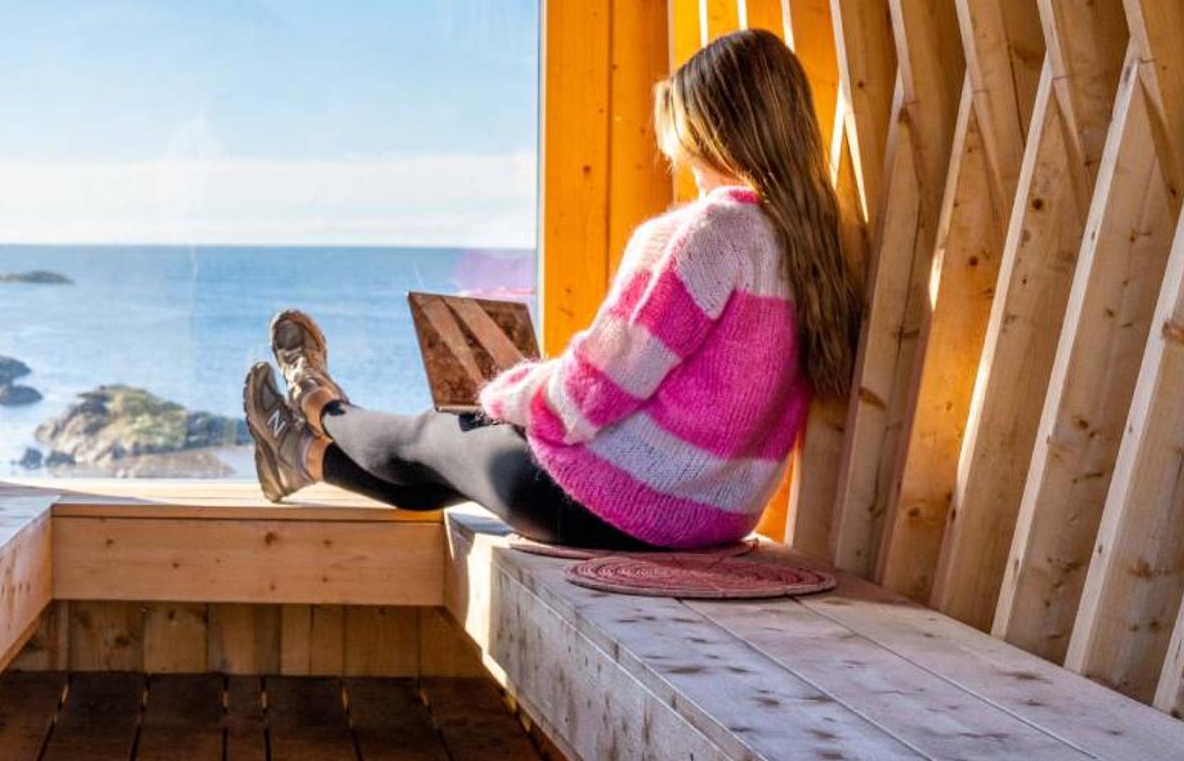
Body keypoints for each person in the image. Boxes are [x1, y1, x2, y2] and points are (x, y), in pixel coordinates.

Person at [241, 28, 861, 550]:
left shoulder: (711, 232)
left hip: (624, 510)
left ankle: (315, 400)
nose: (679, 153)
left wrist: (506, 390)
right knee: (454, 464)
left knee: (439, 432)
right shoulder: (810, 240)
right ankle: (299, 453)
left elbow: (594, 392)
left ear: (712, 130)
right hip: (714, 519)